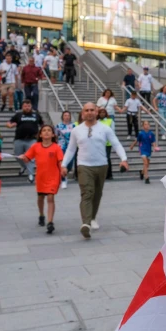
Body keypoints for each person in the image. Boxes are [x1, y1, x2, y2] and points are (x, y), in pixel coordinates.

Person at [62, 102, 128, 239]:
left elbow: (116, 143)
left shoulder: (105, 129)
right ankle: (86, 224)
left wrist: (124, 158)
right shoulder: (76, 130)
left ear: (97, 112)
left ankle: (92, 218)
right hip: (84, 166)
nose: (90, 112)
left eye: (92, 110)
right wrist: (64, 164)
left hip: (101, 165)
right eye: (87, 110)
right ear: (83, 113)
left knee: (97, 194)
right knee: (87, 193)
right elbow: (71, 149)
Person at [18, 124, 63, 235]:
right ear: (40, 134)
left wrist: (63, 169)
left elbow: (60, 161)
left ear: (53, 134)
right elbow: (28, 159)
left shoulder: (56, 147)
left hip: (53, 177)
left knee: (50, 198)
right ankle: (41, 215)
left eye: (49, 130)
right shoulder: (35, 146)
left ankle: (50, 222)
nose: (46, 132)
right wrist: (24, 157)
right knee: (40, 197)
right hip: (41, 177)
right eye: (44, 130)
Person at [7, 100, 43, 183]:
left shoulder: (36, 115)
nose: (27, 107)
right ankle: (24, 167)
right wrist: (10, 125)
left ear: (31, 106)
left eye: (29, 106)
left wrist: (42, 132)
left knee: (30, 158)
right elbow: (9, 122)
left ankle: (30, 175)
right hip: (19, 139)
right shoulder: (18, 115)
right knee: (18, 156)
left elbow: (42, 124)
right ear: (22, 107)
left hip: (32, 139)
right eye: (25, 106)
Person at [130, 119, 156, 184]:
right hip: (142, 149)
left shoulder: (151, 134)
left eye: (147, 124)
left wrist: (155, 147)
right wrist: (132, 145)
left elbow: (153, 141)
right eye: (145, 124)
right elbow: (137, 140)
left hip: (148, 150)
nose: (146, 126)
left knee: (147, 165)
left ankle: (142, 172)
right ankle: (146, 177)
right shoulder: (141, 133)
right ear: (143, 126)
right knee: (145, 163)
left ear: (149, 125)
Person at [55, 110, 74, 185]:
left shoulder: (73, 126)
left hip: (71, 146)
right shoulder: (58, 125)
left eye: (68, 115)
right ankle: (63, 178)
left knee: (70, 163)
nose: (66, 117)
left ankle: (65, 172)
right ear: (62, 116)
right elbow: (56, 136)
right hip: (61, 146)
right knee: (62, 162)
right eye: (65, 115)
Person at [98, 108, 115, 180]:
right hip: (99, 143)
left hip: (107, 143)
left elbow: (112, 131)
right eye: (101, 112)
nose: (102, 114)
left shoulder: (110, 121)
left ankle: (109, 174)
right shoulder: (96, 121)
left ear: (105, 114)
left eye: (103, 112)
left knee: (107, 158)